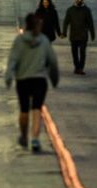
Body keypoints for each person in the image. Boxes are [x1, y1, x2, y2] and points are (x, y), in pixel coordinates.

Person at [4, 12, 60, 153]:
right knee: (36, 109)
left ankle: (24, 135)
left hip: (23, 79)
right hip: (39, 80)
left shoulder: (19, 40)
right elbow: (52, 62)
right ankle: (34, 139)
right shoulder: (44, 41)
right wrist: (54, 78)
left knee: (24, 109)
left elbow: (13, 60)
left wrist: (9, 76)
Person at [61, 0, 96, 75]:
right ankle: (76, 67)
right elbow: (66, 22)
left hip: (83, 35)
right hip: (73, 35)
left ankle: (80, 68)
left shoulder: (86, 10)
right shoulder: (70, 10)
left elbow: (90, 22)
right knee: (74, 53)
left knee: (82, 52)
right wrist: (64, 33)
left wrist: (92, 34)